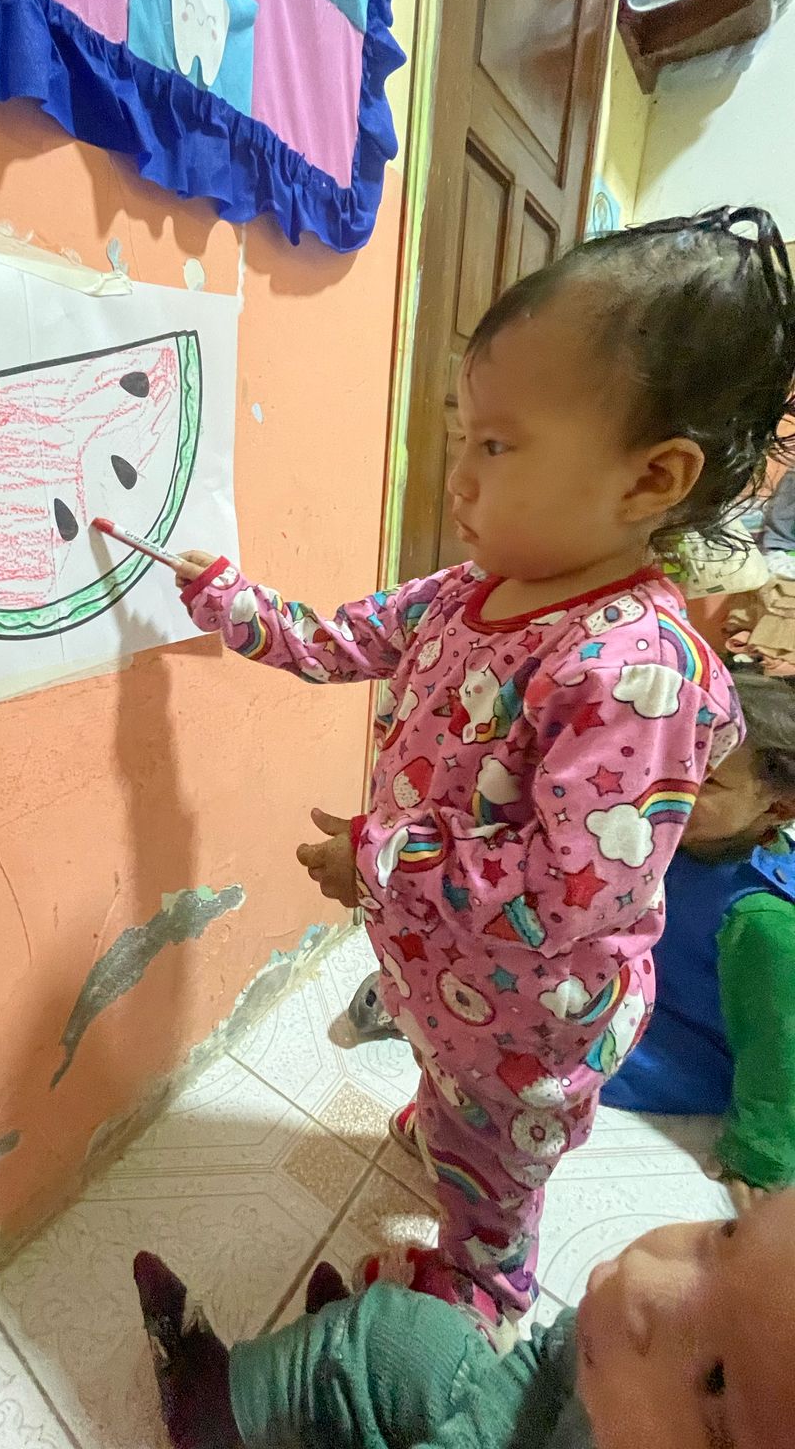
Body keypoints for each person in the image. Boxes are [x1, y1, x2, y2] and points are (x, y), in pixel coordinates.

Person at [170, 208, 795, 1342]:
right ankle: (444, 1105)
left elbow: (568, 892)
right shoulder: (464, 592)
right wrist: (227, 599)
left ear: (651, 478)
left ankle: (480, 1280)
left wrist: (372, 860)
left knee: (494, 1175)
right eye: (463, 437)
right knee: (449, 1084)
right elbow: (337, 640)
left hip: (529, 1024)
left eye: (498, 446)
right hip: (449, 982)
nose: (457, 478)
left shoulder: (637, 671)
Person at [132, 1189, 795, 1449]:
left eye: (715, 1380)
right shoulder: (619, 1367)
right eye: (729, 1234)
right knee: (404, 1333)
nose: (641, 1276)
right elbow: (550, 1361)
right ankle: (331, 1391)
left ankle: (210, 1410)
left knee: (371, 1337)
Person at [603, 665, 795, 1193]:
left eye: (706, 780)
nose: (662, 786)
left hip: (688, 1046)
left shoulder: (762, 921)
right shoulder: (669, 834)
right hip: (630, 985)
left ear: (778, 808)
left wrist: (758, 1156)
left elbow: (778, 1050)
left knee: (551, 1059)